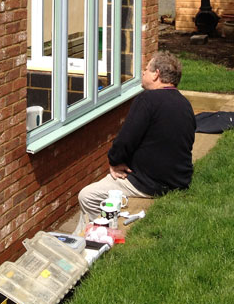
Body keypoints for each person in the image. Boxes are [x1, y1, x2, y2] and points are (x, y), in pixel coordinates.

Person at [77, 51, 195, 229]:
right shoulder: (184, 104)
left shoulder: (147, 100)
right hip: (178, 179)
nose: (143, 73)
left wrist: (115, 161)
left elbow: (125, 140)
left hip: (148, 183)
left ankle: (102, 236)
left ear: (156, 74)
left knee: (87, 196)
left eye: (146, 70)